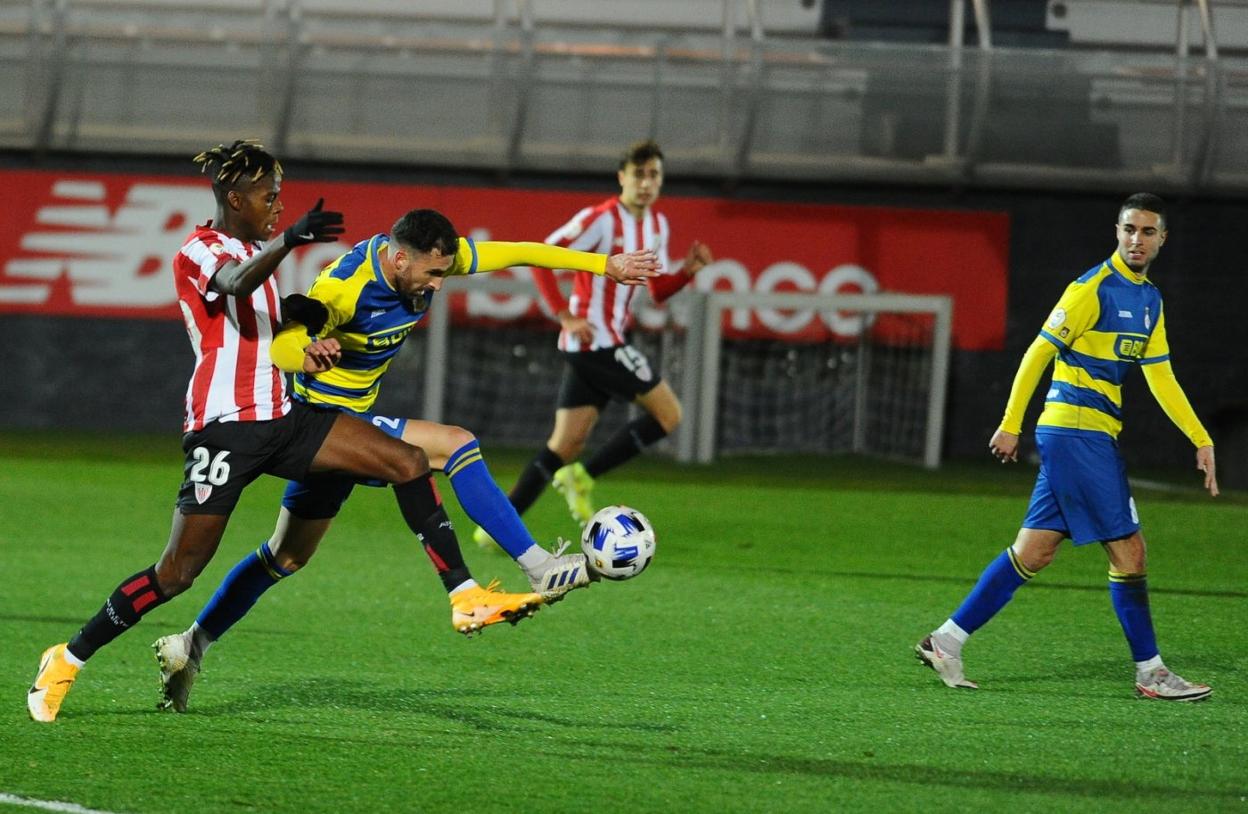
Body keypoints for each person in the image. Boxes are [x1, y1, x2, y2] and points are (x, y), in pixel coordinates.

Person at [28, 140, 537, 722]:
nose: (276, 205)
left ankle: (464, 596)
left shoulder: (257, 252)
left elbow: (268, 322)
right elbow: (238, 284)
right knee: (177, 574)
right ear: (234, 197)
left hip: (284, 415)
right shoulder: (199, 249)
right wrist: (288, 239)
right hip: (224, 429)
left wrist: (309, 334)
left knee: (409, 461)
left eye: (280, 198)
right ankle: (67, 656)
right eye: (268, 197)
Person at [150, 208, 660, 712]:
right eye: (432, 274)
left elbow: (522, 252)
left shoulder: (434, 260)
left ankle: (191, 645)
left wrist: (604, 266)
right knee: (454, 444)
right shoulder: (345, 286)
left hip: (347, 428)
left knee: (285, 557)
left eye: (445, 271)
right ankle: (536, 567)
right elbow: (284, 340)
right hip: (319, 425)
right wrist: (306, 350)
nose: (439, 284)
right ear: (397, 259)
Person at [914, 193, 1219, 701]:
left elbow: (1160, 375)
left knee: (1032, 552)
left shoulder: (1150, 300)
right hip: (1076, 432)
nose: (1135, 240)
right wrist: (1011, 423)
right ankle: (1152, 672)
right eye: (1128, 230)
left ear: (1162, 239)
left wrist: (1200, 438)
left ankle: (945, 640)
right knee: (1130, 552)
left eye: (1147, 232)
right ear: (1116, 232)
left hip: (1086, 435)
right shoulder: (1090, 289)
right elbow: (1038, 352)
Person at [475, 139, 712, 545]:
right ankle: (582, 477)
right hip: (595, 342)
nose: (646, 183)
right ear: (622, 177)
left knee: (564, 444)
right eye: (638, 174)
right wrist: (564, 314)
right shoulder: (601, 219)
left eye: (653, 175)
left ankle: (495, 529)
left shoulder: (657, 225)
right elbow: (541, 256)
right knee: (669, 414)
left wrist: (687, 271)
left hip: (601, 343)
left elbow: (655, 291)